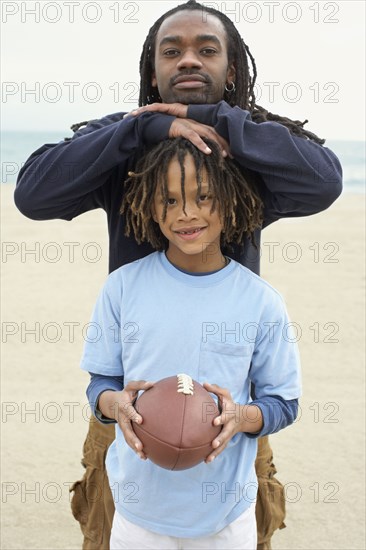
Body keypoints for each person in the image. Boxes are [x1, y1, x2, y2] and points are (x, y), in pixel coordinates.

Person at [13, 1, 342, 548]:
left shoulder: (250, 153)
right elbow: (32, 193)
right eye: (173, 51)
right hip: (129, 418)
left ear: (231, 69)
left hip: (228, 421)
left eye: (207, 50)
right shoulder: (124, 144)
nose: (189, 59)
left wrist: (211, 121)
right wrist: (145, 128)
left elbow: (325, 180)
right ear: (153, 71)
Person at [80, 136, 302, 550]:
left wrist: (241, 416)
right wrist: (116, 406)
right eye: (169, 200)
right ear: (151, 207)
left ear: (229, 200)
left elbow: (284, 404)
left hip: (224, 514)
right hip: (137, 507)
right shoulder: (122, 287)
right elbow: (101, 383)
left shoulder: (260, 301)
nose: (186, 214)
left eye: (203, 197)